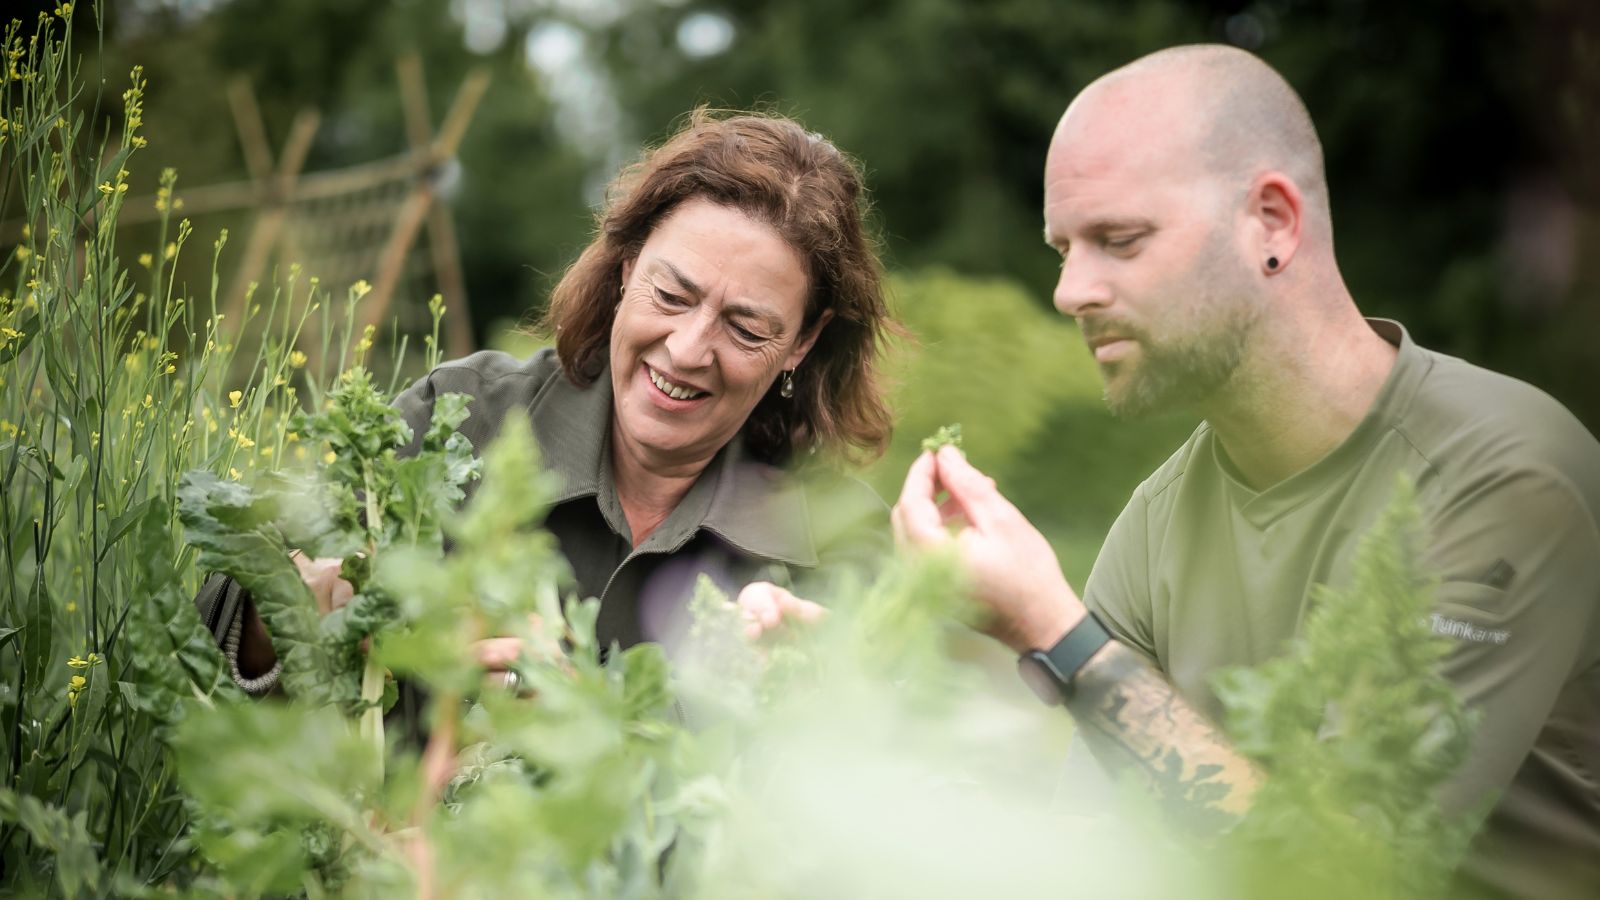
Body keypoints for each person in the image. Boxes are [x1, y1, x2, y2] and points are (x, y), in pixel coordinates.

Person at [889, 46, 1599, 898]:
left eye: (1119, 240)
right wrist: (869, 726)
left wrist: (1058, 632)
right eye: (1063, 250)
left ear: (1271, 223)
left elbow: (1350, 878)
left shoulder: (1506, 478)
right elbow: (1097, 866)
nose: (1070, 290)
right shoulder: (1155, 525)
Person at [195, 111, 893, 695]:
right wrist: (284, 621)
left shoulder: (836, 539)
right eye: (671, 295)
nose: (687, 350)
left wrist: (823, 695)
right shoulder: (460, 419)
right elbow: (208, 654)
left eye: (745, 328)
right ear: (627, 268)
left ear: (802, 342)